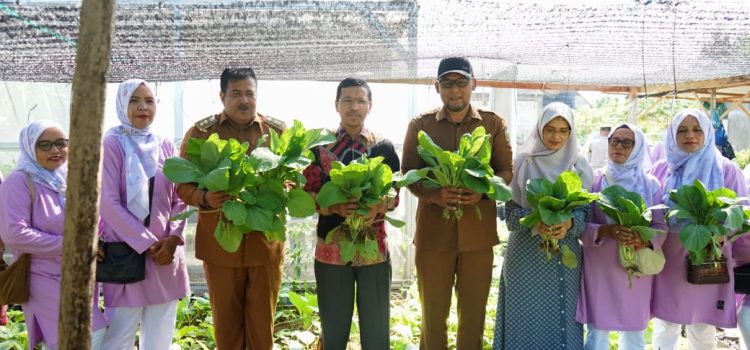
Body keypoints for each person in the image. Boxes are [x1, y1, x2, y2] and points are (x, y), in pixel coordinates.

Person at [401, 57, 513, 349]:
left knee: (473, 317)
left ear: (473, 84)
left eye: (461, 82)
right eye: (447, 83)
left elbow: (506, 172)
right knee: (432, 317)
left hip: (478, 238)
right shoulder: (420, 125)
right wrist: (433, 194)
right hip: (433, 237)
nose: (454, 90)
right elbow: (408, 174)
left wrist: (483, 191)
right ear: (437, 87)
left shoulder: (492, 123)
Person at [175, 68, 286, 350]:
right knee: (226, 329)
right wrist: (205, 197)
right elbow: (181, 185)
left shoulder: (277, 133)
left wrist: (282, 188)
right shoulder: (201, 133)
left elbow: (295, 178)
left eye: (250, 93)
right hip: (220, 246)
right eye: (236, 94)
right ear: (222, 96)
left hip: (265, 244)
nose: (244, 100)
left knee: (263, 328)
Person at [302, 77, 399, 349]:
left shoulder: (383, 147)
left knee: (377, 334)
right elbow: (306, 194)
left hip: (374, 251)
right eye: (347, 100)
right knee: (333, 333)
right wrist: (332, 206)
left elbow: (396, 193)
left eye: (360, 100)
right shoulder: (321, 148)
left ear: (370, 106)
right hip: (331, 251)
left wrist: (378, 205)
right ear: (336, 105)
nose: (353, 106)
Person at [0, 120, 108, 350]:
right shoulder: (19, 181)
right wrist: (73, 245)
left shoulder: (68, 179)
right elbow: (15, 234)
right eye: (45, 145)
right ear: (30, 147)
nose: (55, 150)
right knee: (89, 335)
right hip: (42, 277)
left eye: (61, 143)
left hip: (77, 275)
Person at [493, 102, 593, 349]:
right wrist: (538, 221)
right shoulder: (523, 162)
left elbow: (585, 215)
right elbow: (511, 216)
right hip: (525, 256)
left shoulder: (578, 165)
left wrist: (568, 224)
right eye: (549, 129)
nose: (556, 136)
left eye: (563, 130)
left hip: (564, 255)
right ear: (539, 129)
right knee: (522, 316)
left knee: (563, 318)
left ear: (571, 133)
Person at [99, 79, 190, 349]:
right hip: (127, 257)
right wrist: (149, 243)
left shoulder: (165, 145)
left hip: (166, 257)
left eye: (149, 101)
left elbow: (181, 197)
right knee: (118, 338)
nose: (143, 107)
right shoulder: (111, 144)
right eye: (134, 101)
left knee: (161, 338)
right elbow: (108, 203)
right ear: (121, 105)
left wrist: (173, 238)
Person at [649, 109, 747, 350]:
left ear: (707, 133)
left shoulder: (725, 169)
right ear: (672, 135)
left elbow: (741, 215)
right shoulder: (662, 169)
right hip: (668, 258)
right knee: (666, 320)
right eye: (681, 130)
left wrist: (721, 236)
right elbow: (651, 212)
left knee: (703, 323)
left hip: (709, 255)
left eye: (696, 129)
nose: (689, 135)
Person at [575, 123, 667, 350]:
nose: (619, 147)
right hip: (600, 268)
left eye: (627, 142)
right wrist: (607, 231)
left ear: (638, 148)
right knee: (598, 331)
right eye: (614, 141)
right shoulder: (594, 181)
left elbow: (660, 226)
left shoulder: (651, 185)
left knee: (635, 332)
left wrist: (643, 239)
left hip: (634, 267)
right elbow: (580, 224)